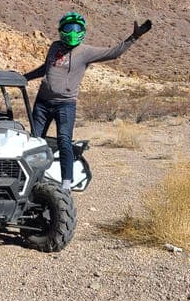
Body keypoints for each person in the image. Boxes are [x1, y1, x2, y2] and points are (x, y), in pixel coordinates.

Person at [24, 12, 152, 190]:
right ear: (61, 30)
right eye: (69, 28)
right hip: (43, 103)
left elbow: (114, 53)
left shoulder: (86, 52)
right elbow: (45, 69)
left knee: (64, 140)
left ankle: (66, 185)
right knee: (35, 141)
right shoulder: (54, 47)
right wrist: (24, 78)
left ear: (83, 31)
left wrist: (134, 37)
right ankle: (31, 181)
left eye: (77, 28)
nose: (73, 32)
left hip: (65, 104)